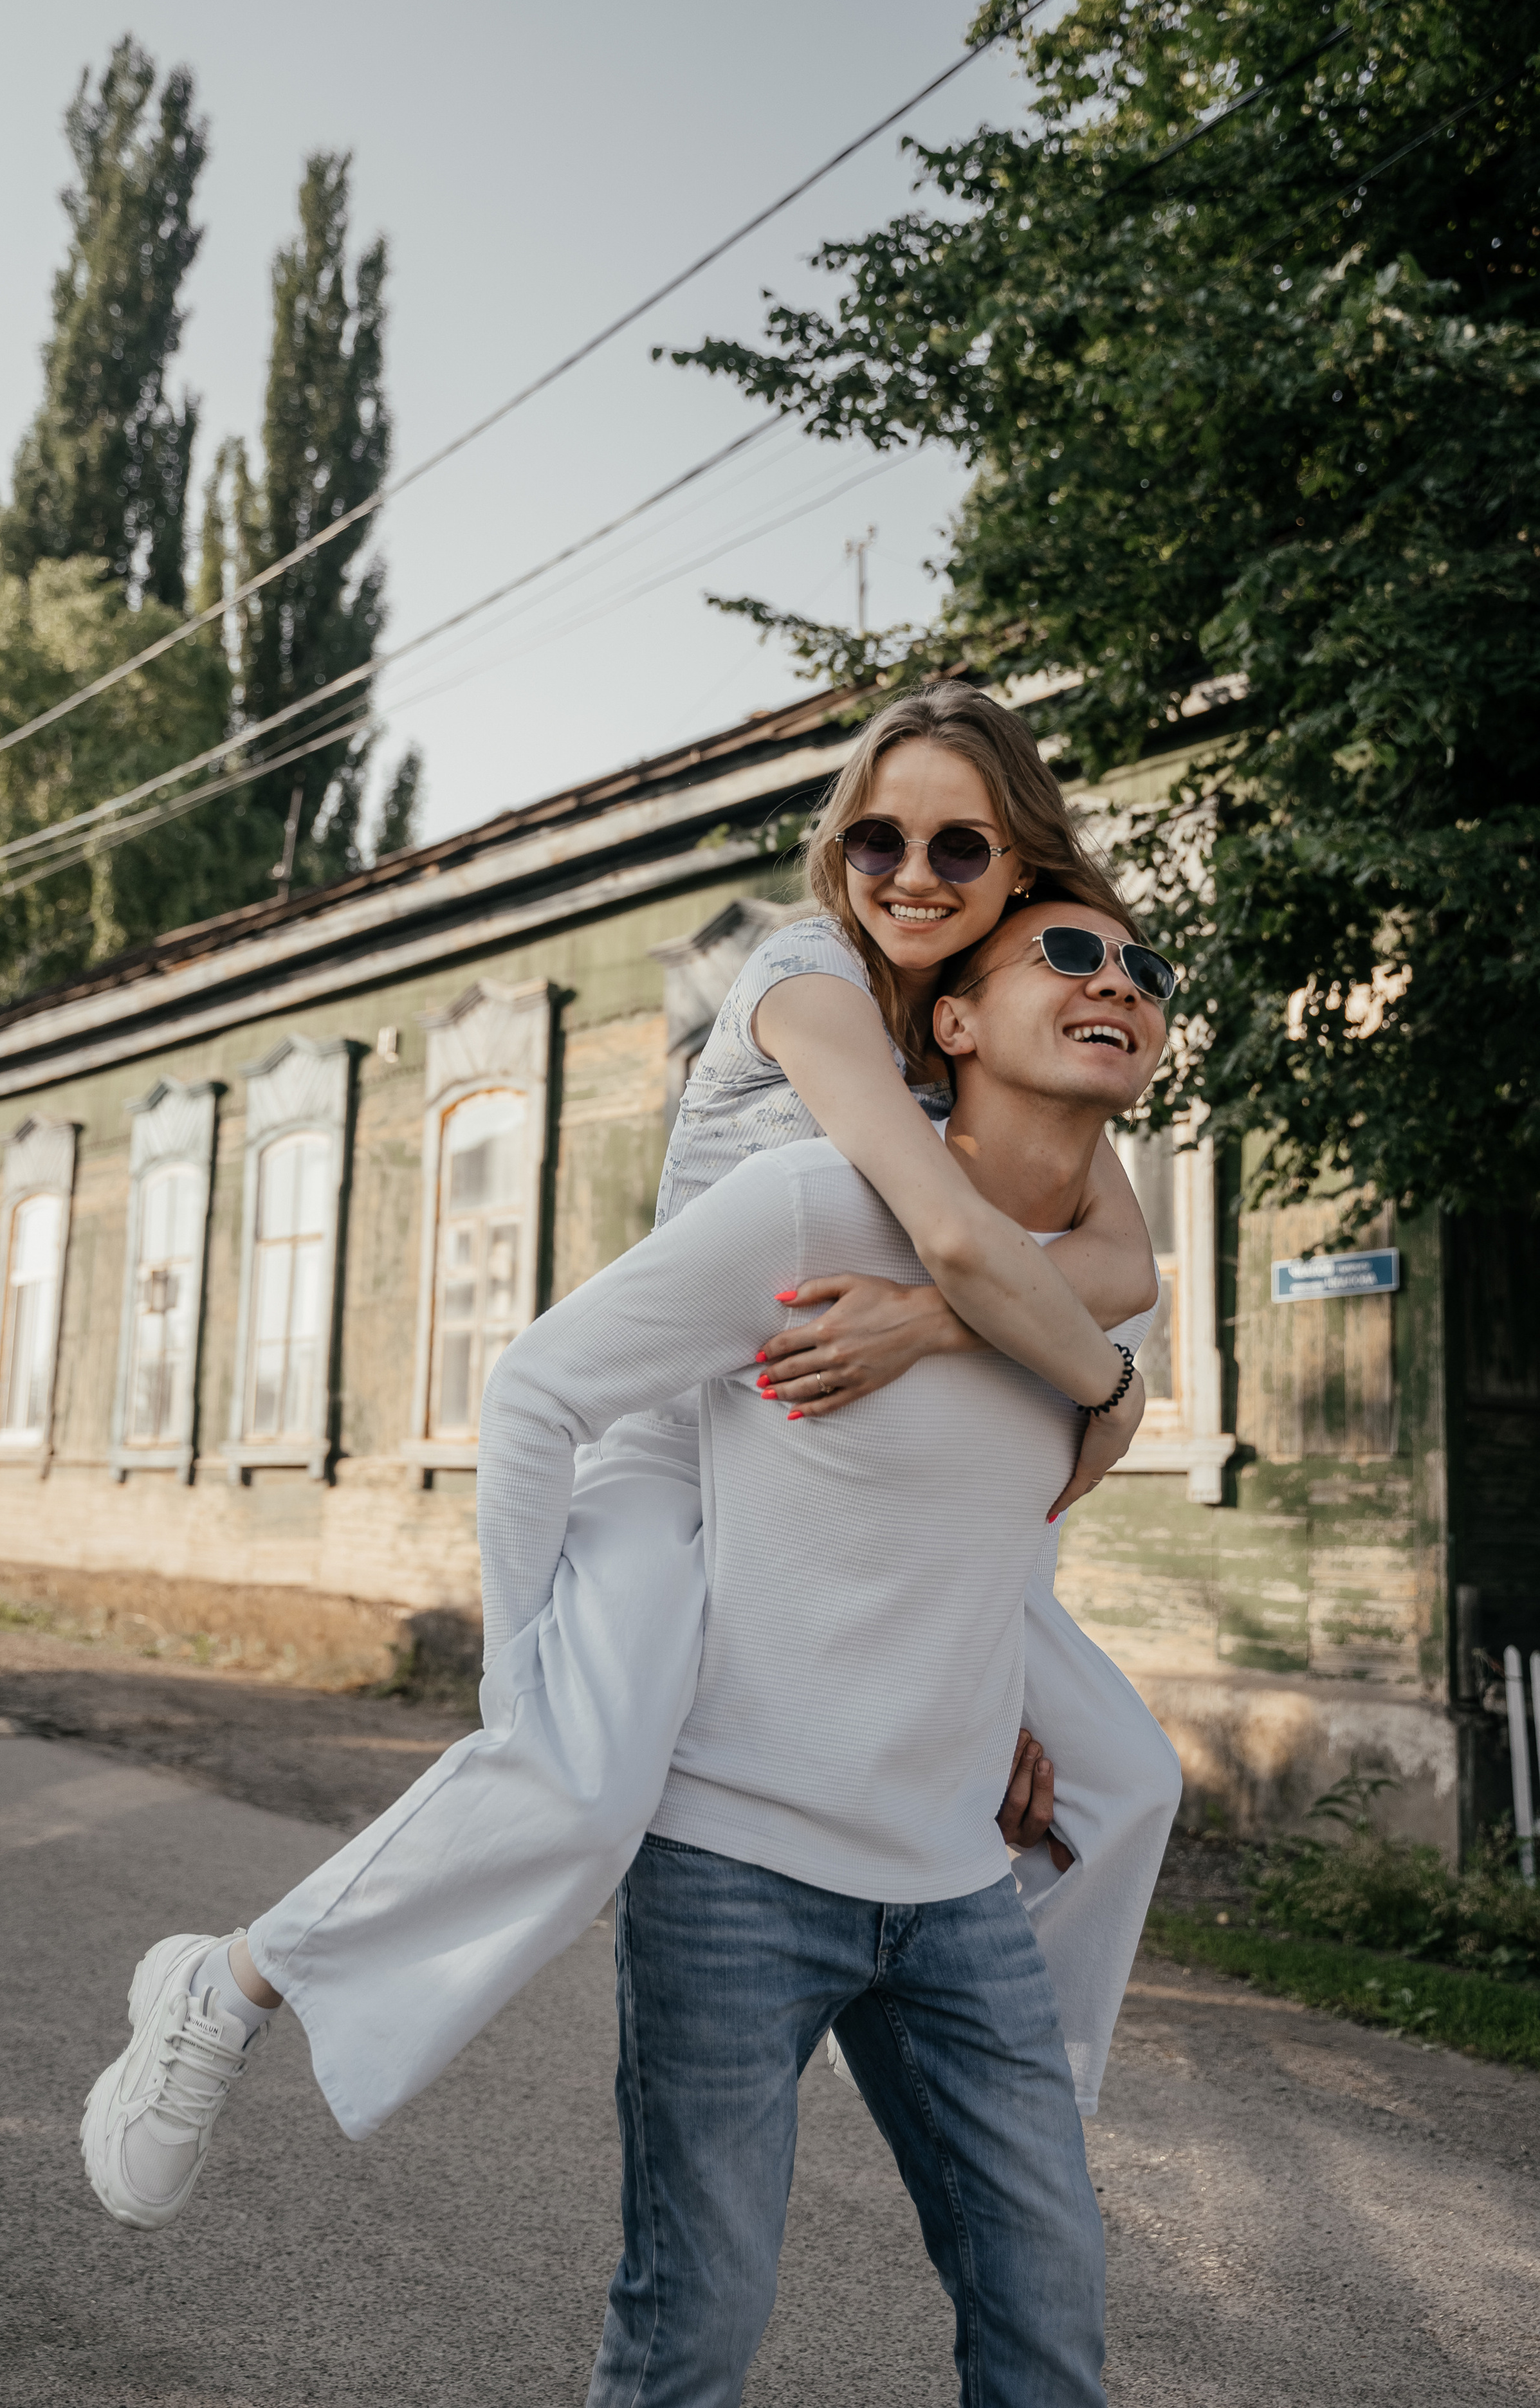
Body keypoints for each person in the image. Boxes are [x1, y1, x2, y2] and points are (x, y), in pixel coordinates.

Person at [81, 686, 1180, 2232]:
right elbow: (953, 1232)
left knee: (1124, 1781)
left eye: (958, 841)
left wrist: (989, 1353)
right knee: (582, 1780)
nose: (911, 870)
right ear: (836, 848)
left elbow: (1114, 1268)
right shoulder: (808, 986)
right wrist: (520, 1677)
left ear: (1019, 865)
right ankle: (227, 1982)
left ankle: (1028, 2101)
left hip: (864, 1495)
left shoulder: (1025, 1008)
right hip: (684, 1446)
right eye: (877, 834)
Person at [484, 893, 1173, 2403]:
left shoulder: (1100, 1299)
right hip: (736, 1864)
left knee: (1048, 2327)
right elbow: (535, 1393)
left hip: (950, 1886)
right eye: (1063, 955)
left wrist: (994, 1699)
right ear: (949, 1020)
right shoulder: (802, 1196)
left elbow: (985, 1534)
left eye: (1143, 967)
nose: (1115, 980)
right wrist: (517, 1689)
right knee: (695, 2335)